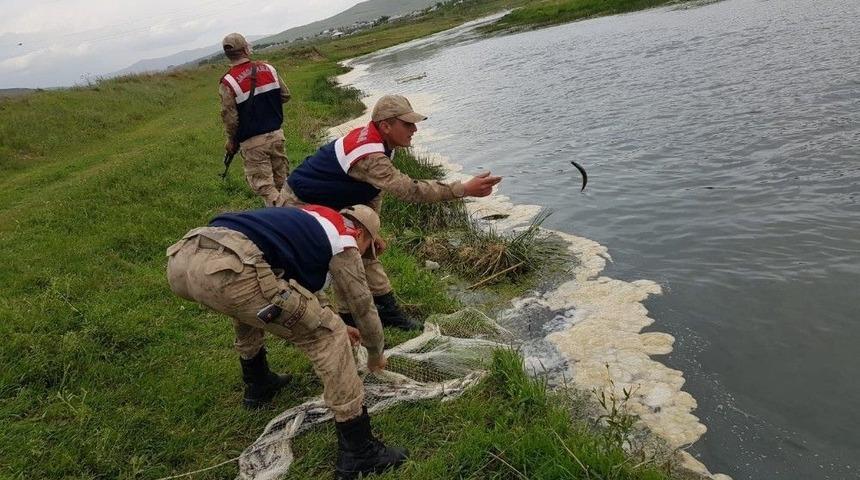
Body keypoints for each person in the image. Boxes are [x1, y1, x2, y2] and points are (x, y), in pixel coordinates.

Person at [165, 204, 407, 479]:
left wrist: (328, 315)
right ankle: (360, 452)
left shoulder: (313, 218)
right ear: (361, 231)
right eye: (369, 249)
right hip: (233, 267)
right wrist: (375, 354)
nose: (363, 256)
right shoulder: (345, 239)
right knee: (329, 336)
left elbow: (293, 286)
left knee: (250, 304)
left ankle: (258, 383)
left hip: (184, 257)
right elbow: (363, 306)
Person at [280, 94, 502, 330]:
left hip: (331, 200)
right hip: (301, 205)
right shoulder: (371, 155)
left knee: (366, 250)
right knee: (338, 258)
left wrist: (371, 231)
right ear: (386, 126)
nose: (415, 129)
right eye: (407, 124)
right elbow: (409, 190)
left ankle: (384, 312)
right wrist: (463, 189)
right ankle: (339, 321)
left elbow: (373, 190)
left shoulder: (383, 144)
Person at [219, 32, 291, 207]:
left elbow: (230, 119)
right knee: (284, 184)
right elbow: (286, 95)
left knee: (266, 188)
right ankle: (297, 213)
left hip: (253, 144)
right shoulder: (269, 68)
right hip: (276, 136)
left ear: (228, 54)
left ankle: (286, 220)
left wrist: (231, 141)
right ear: (245, 49)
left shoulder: (228, 82)